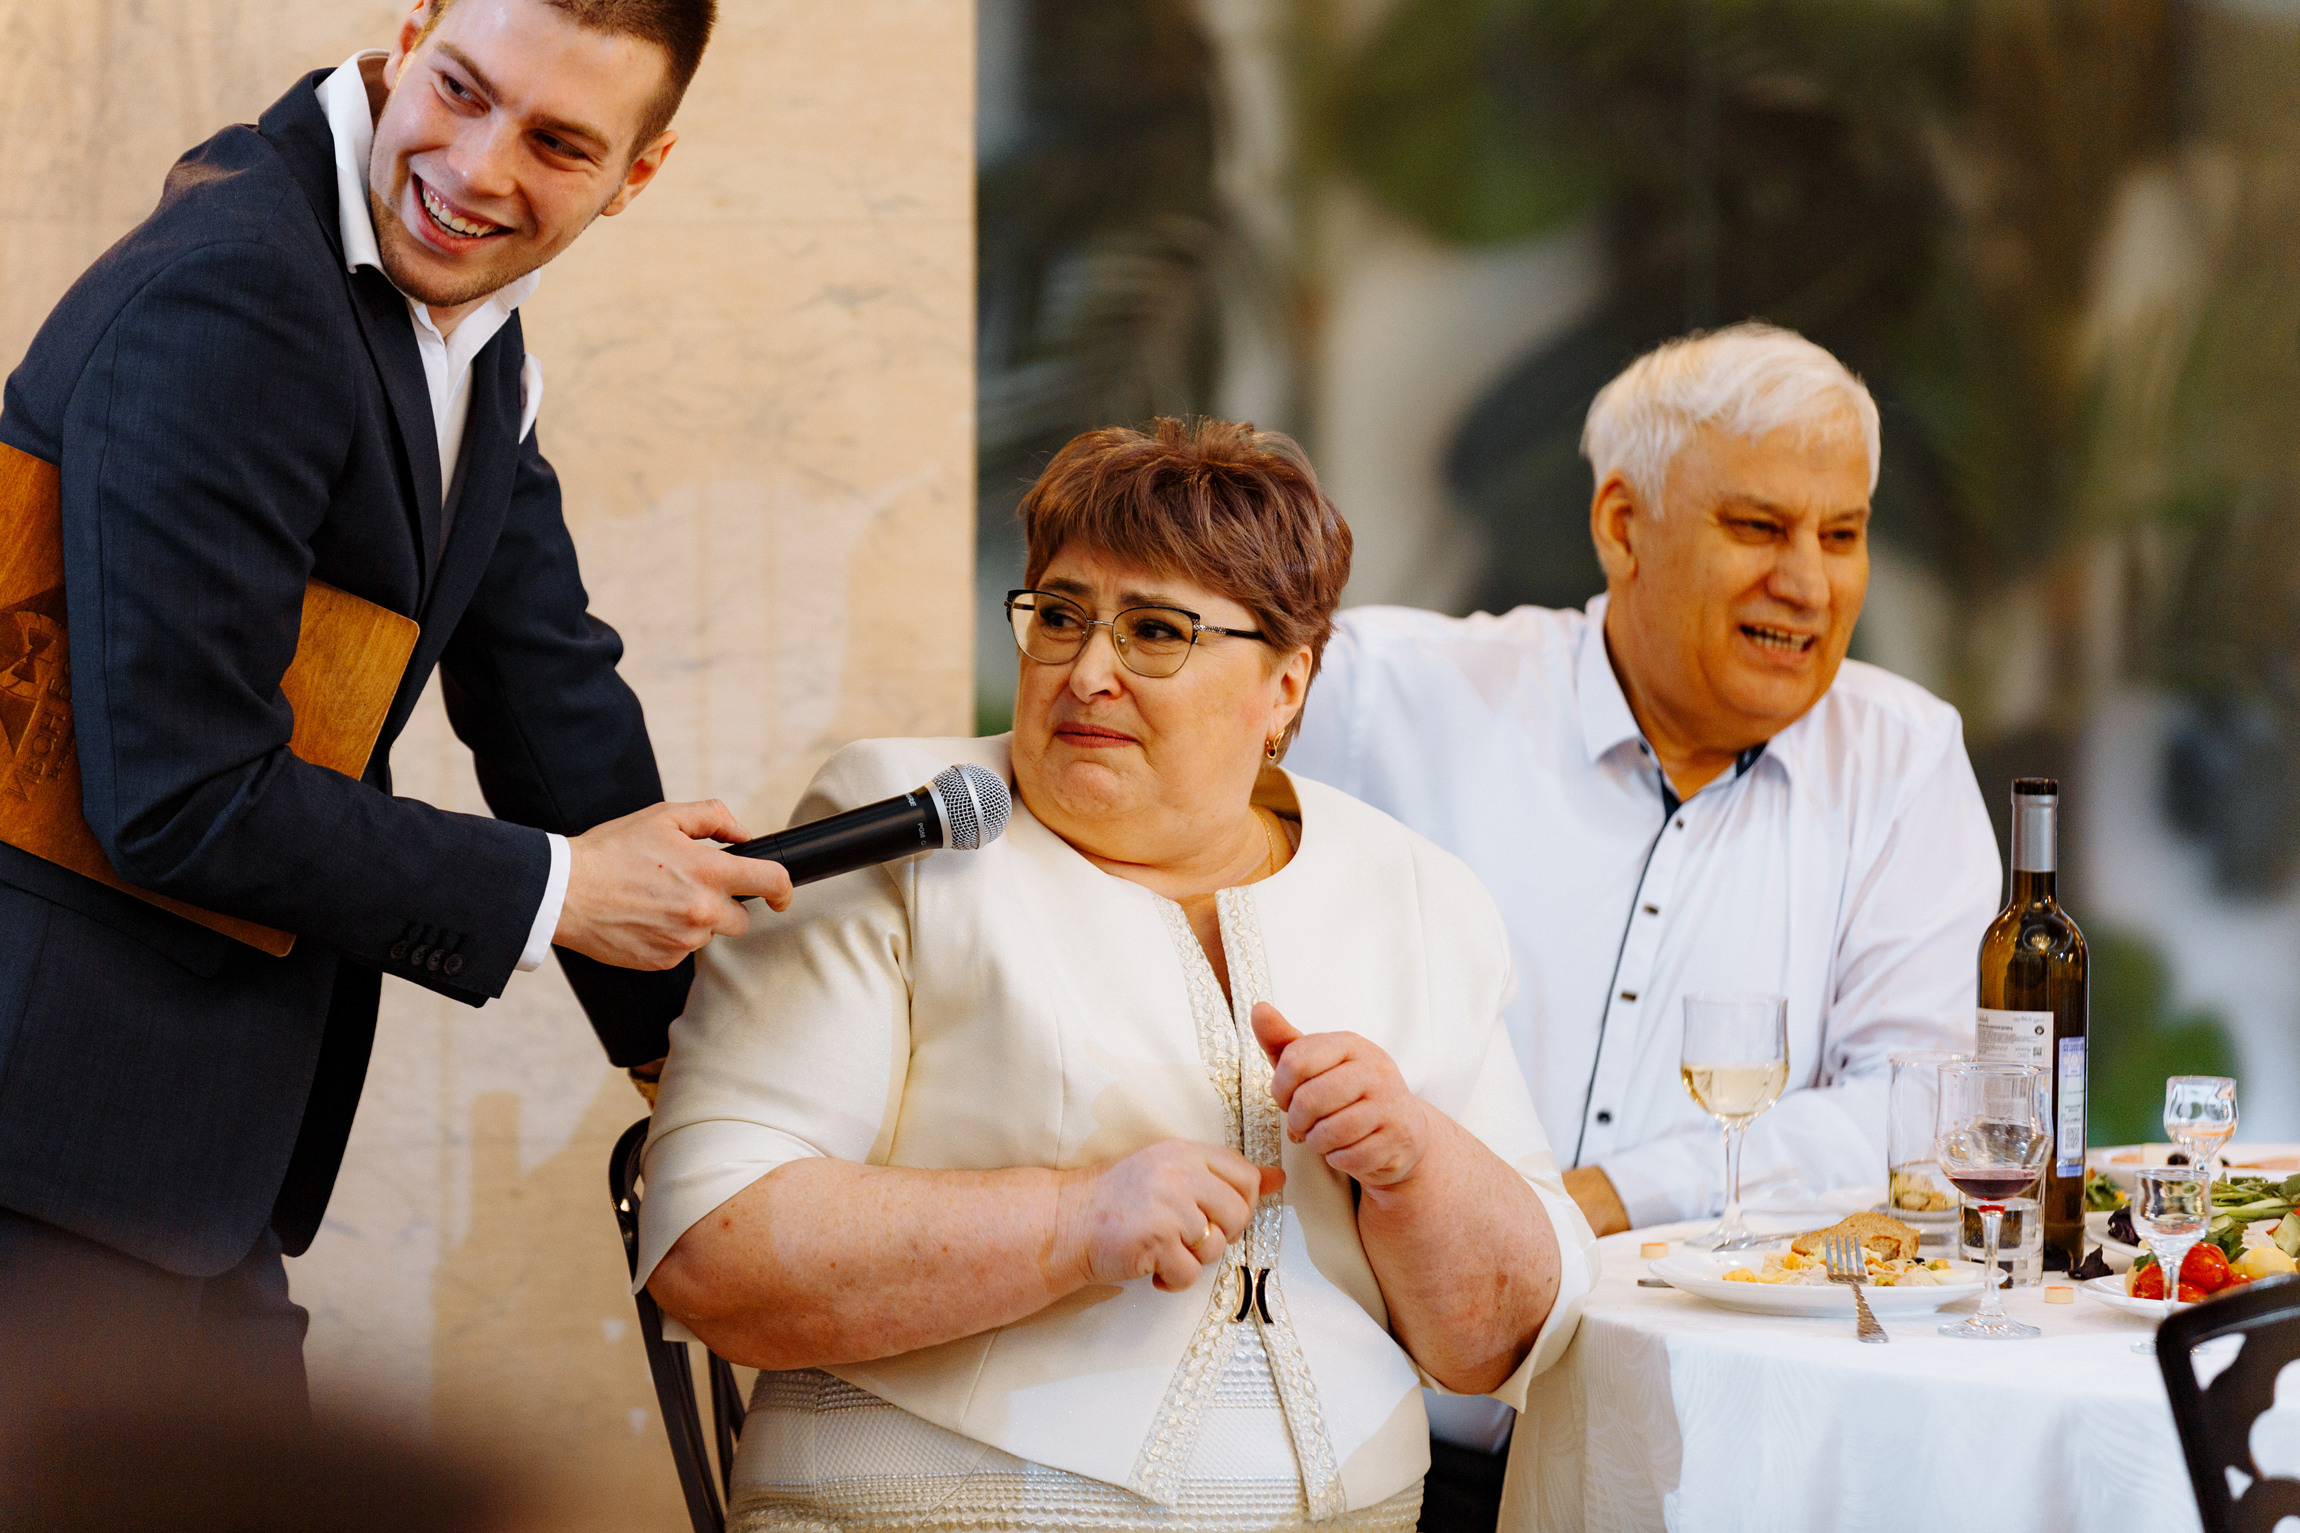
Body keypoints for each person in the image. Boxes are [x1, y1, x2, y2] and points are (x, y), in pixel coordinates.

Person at [0, 0, 790, 1420]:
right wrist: (561, 892)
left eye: (558, 143)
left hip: (175, 1179)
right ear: (412, 28)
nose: (478, 170)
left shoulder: (463, 324)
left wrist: (688, 1054)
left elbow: (545, 686)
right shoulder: (238, 290)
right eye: (463, 89)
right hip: (45, 1143)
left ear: (640, 171)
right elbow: (183, 792)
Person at [636, 418, 1597, 1532]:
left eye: (1153, 632)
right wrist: (1070, 1223)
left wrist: (1417, 1165)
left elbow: (1503, 1342)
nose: (1088, 673)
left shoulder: (1415, 891)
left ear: (1286, 685)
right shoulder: (899, 827)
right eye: (1059, 617)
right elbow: (713, 1250)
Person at [1286, 323, 2000, 1494]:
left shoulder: (1901, 760)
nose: (1807, 584)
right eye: (1757, 527)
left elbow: (1915, 1109)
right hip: (1382, 1448)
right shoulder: (1384, 698)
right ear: (1622, 526)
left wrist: (1601, 1201)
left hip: (1698, 1463)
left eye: (1841, 535)